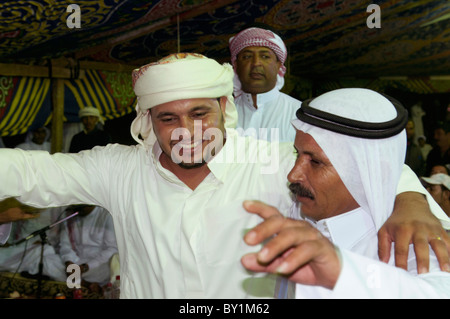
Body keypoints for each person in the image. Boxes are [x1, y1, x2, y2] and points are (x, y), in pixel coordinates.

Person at [0, 53, 448, 298]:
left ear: (225, 110)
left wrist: (410, 199)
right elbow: (29, 170)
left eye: (200, 113)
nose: (186, 132)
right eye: (168, 118)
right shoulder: (118, 168)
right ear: (147, 123)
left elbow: (353, 166)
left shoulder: (272, 160)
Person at [241, 88, 450, 298]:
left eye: (315, 162)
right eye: (297, 154)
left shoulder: (409, 243)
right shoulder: (299, 208)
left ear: (366, 171)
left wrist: (342, 272)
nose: (293, 174)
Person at [229, 26, 300, 142]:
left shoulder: (300, 115)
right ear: (236, 65)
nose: (256, 63)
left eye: (265, 56)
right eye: (247, 57)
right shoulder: (223, 113)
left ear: (278, 65)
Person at [59, 205, 118, 292]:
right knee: (49, 260)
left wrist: (86, 266)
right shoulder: (71, 214)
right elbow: (65, 245)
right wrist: (69, 261)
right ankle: (85, 284)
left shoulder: (106, 215)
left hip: (97, 264)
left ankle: (78, 282)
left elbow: (112, 249)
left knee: (110, 267)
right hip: (75, 261)